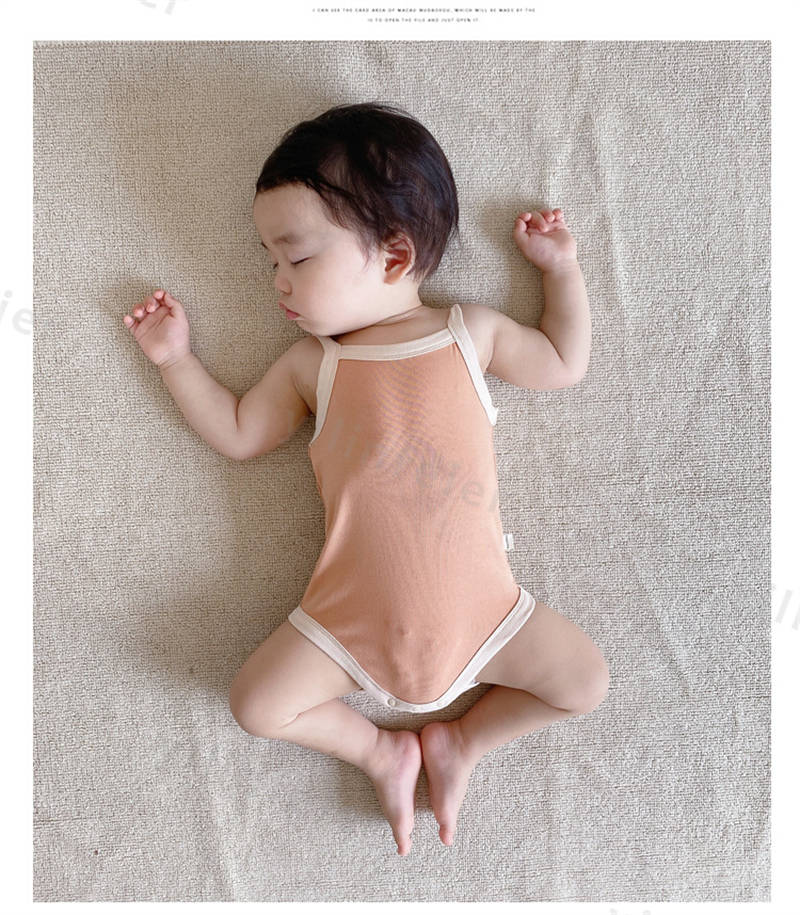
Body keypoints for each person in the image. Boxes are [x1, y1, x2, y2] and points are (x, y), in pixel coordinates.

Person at [122, 102, 609, 857]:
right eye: (271, 261)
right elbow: (241, 433)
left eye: (296, 258)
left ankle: (464, 740)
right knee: (256, 703)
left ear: (393, 257)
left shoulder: (470, 333)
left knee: (585, 682)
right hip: (345, 624)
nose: (277, 281)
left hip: (487, 619)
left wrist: (561, 270)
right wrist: (176, 360)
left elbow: (562, 361)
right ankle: (379, 750)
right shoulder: (314, 365)